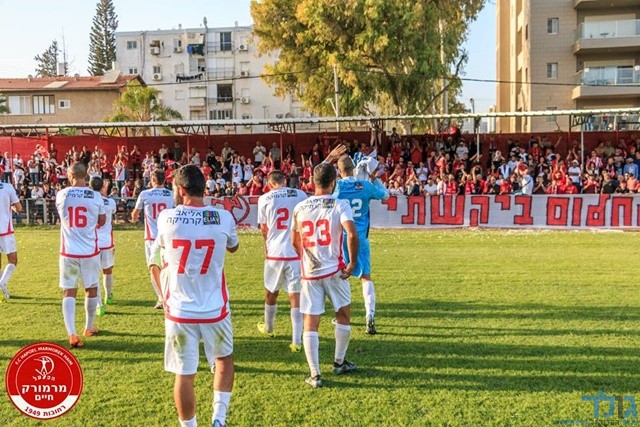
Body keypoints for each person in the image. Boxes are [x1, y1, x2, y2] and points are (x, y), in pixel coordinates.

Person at [148, 165, 238, 427]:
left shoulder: (166, 218)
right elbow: (233, 247)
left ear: (180, 189)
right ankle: (219, 419)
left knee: (184, 374)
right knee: (223, 359)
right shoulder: (222, 217)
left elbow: (157, 256)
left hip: (179, 309)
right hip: (215, 307)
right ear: (204, 188)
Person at [291, 163, 359, 388]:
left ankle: (315, 374)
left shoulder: (300, 207)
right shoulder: (340, 204)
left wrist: (307, 258)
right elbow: (351, 234)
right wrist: (352, 263)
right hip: (335, 271)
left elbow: (294, 240)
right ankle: (339, 362)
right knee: (343, 314)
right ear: (334, 182)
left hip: (310, 272)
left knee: (311, 322)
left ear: (313, 181)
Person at [332, 154, 389, 334]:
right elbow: (386, 195)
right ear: (353, 168)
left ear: (340, 171)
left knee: (340, 275)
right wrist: (374, 179)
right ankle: (369, 314)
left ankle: (341, 315)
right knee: (366, 277)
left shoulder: (337, 186)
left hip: (341, 238)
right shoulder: (365, 186)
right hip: (360, 238)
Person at [55, 162, 106, 348]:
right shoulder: (96, 196)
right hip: (90, 251)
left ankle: (72, 334)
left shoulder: (62, 194)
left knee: (69, 290)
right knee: (91, 288)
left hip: (68, 251)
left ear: (71, 175)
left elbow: (62, 216)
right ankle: (88, 327)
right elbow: (102, 221)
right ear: (86, 175)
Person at [256, 170, 307, 352]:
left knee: (271, 291)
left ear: (269, 184)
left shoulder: (265, 199)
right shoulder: (300, 195)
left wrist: (267, 246)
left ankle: (269, 328)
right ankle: (296, 341)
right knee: (295, 296)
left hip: (275, 252)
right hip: (295, 252)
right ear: (284, 181)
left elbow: (264, 228)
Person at [132, 169, 174, 309]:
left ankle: (161, 298)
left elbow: (135, 214)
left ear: (153, 180)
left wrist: (134, 219)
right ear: (165, 180)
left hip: (151, 238)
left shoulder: (145, 194)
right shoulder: (171, 194)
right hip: (167, 236)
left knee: (153, 267)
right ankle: (170, 295)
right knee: (169, 267)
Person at [90, 176, 117, 316]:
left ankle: (99, 305)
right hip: (106, 242)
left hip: (92, 242)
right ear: (103, 187)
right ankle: (108, 295)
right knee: (107, 270)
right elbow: (113, 211)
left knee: (93, 274)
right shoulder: (111, 202)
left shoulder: (89, 201)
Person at [0, 179, 22, 301]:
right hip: (5, 230)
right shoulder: (7, 187)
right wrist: (12, 207)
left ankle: (2, 289)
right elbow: (19, 207)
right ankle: (3, 282)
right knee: (13, 260)